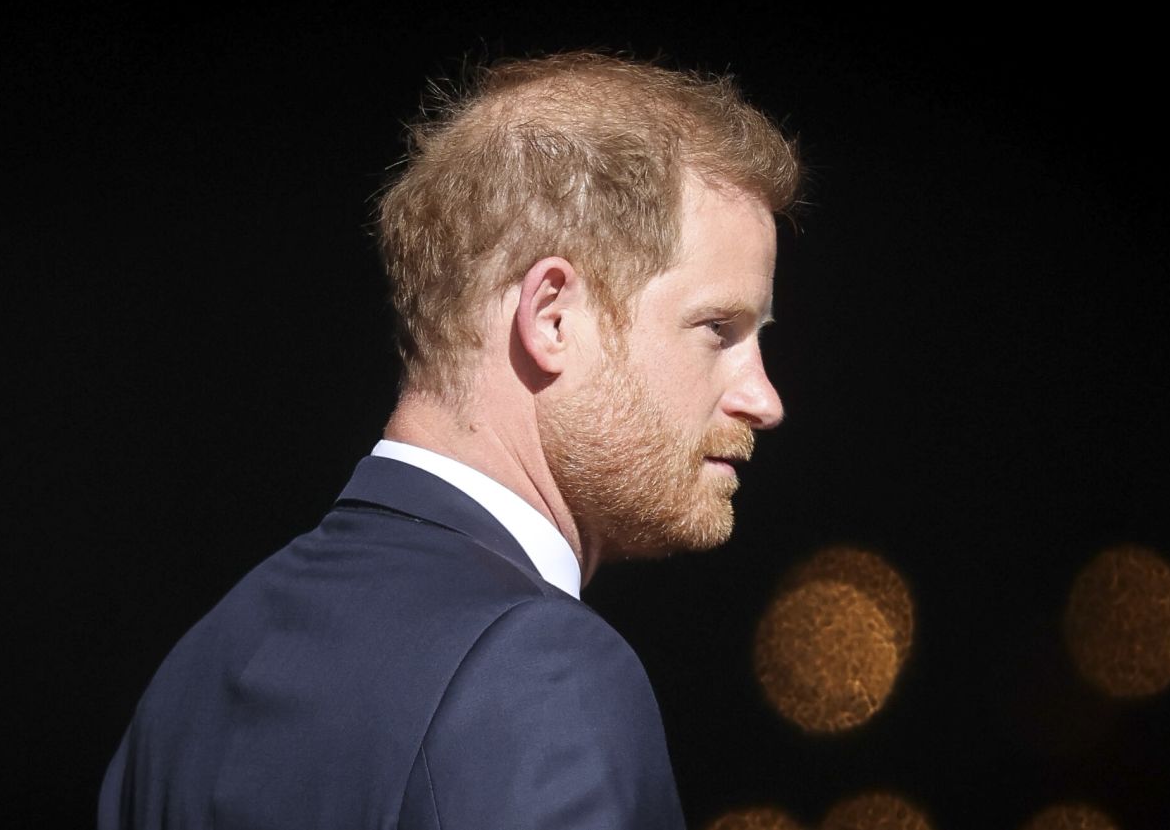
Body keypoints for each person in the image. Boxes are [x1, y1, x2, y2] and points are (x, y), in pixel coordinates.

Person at [99, 51, 801, 830]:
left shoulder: (194, 676)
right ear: (553, 317)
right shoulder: (539, 675)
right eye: (718, 328)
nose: (762, 398)